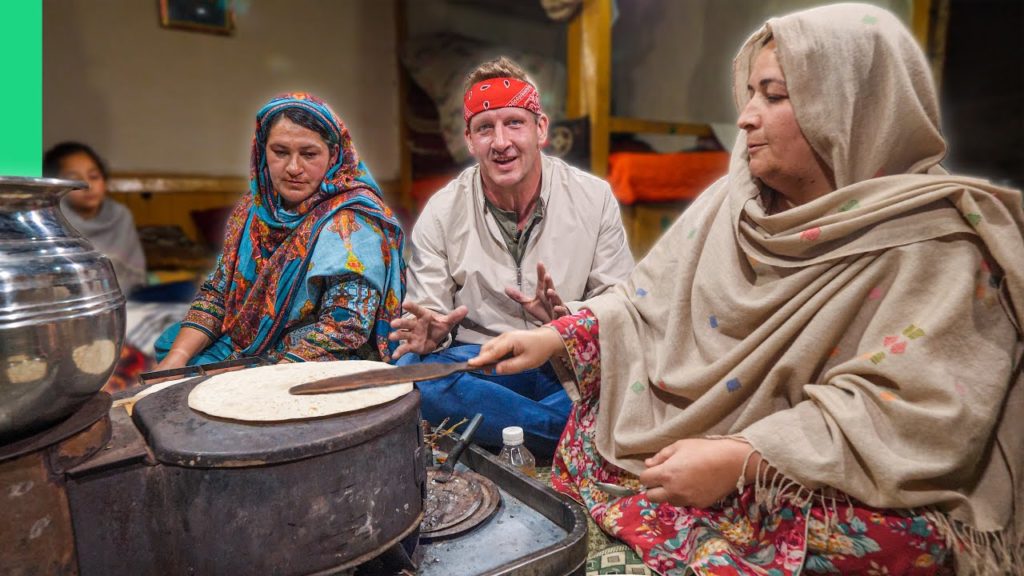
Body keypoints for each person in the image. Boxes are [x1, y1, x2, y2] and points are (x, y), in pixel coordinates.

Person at [471, 4, 1024, 574]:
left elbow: (911, 414)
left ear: (850, 108)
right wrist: (560, 335)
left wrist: (744, 459)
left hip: (812, 466)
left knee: (905, 544)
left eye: (774, 95)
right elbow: (647, 301)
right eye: (751, 93)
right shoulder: (734, 205)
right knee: (504, 389)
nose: (746, 117)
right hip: (704, 416)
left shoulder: (934, 244)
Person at [390, 57, 634, 456]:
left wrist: (566, 320)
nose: (500, 142)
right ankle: (574, 439)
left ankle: (513, 429)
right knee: (412, 374)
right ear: (470, 140)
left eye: (514, 123)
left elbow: (621, 304)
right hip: (485, 365)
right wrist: (434, 335)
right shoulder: (442, 209)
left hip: (564, 359)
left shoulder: (593, 197)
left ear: (540, 129)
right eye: (485, 128)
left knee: (634, 370)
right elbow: (430, 312)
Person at [153, 93, 405, 368]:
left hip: (314, 361)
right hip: (249, 349)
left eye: (309, 154)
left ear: (334, 155)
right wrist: (176, 360)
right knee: (171, 353)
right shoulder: (252, 209)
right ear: (262, 151)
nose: (294, 168)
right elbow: (218, 292)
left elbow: (345, 328)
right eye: (280, 152)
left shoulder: (353, 222)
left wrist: (260, 383)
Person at [43, 141, 147, 296]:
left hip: (126, 300)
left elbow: (134, 276)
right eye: (74, 179)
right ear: (56, 185)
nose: (87, 185)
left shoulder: (120, 215)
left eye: (94, 176)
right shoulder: (49, 219)